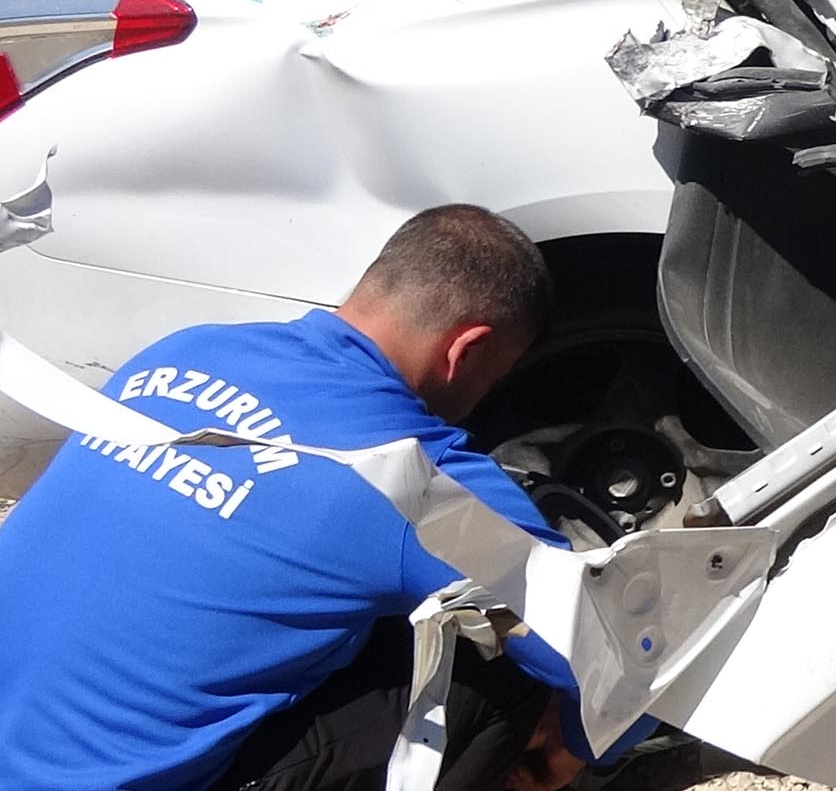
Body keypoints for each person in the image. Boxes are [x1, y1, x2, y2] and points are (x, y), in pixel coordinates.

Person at [0, 206, 601, 791]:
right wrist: (579, 744)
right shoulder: (411, 476)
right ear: (465, 350)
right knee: (496, 665)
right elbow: (602, 652)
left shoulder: (185, 350)